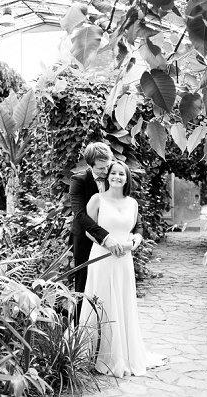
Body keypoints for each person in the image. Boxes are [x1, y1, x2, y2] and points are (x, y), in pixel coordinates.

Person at [78, 160, 166, 376]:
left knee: (123, 302)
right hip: (101, 257)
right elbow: (88, 229)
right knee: (102, 301)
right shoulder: (97, 199)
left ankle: (123, 354)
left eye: (121, 174)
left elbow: (138, 228)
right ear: (108, 177)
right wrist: (107, 243)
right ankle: (95, 353)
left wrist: (132, 243)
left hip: (124, 259)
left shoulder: (132, 203)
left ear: (127, 178)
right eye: (113, 173)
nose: (117, 177)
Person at [68, 142, 126, 322]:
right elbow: (80, 216)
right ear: (90, 165)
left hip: (112, 245)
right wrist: (105, 237)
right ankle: (77, 336)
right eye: (101, 168)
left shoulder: (114, 176)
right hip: (84, 243)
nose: (106, 171)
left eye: (108, 166)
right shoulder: (79, 181)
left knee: (109, 289)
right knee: (83, 288)